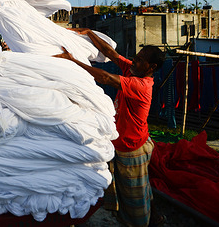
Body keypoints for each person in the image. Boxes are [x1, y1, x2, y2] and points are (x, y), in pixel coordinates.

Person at [54, 28, 165, 227]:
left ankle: (141, 223)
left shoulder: (141, 84)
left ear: (151, 67)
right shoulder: (133, 69)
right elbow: (111, 53)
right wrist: (89, 33)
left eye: (140, 60)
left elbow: (105, 78)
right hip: (129, 141)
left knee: (134, 195)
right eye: (136, 57)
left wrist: (72, 61)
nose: (135, 61)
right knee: (140, 188)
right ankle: (154, 217)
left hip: (132, 148)